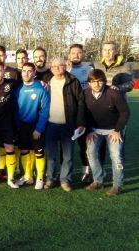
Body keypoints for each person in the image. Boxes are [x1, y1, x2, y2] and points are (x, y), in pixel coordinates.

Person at [84, 69, 130, 196]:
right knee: (90, 152)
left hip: (113, 130)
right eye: (93, 82)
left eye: (99, 81)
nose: (97, 84)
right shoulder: (85, 93)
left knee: (116, 155)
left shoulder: (113, 93)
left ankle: (117, 185)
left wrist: (117, 130)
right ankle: (98, 180)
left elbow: (125, 112)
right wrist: (88, 130)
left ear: (104, 82)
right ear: (89, 83)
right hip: (95, 130)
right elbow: (84, 114)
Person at [44, 58, 85, 192]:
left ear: (65, 66)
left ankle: (65, 180)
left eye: (60, 65)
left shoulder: (73, 81)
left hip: (69, 125)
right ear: (51, 68)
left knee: (68, 156)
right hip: (50, 124)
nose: (57, 68)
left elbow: (80, 103)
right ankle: (50, 178)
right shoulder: (47, 80)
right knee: (51, 155)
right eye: (54, 66)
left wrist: (80, 123)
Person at [0, 45, 21, 181]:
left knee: (6, 142)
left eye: (2, 56)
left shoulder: (14, 73)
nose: (0, 58)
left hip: (9, 113)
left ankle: (2, 169)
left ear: (6, 57)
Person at [14, 62, 50, 190]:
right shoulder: (18, 89)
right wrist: (18, 126)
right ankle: (28, 176)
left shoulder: (41, 89)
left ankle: (40, 177)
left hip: (36, 126)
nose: (26, 73)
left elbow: (45, 111)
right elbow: (15, 110)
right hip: (22, 127)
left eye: (30, 71)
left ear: (35, 73)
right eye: (24, 70)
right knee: (24, 150)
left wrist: (39, 129)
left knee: (38, 152)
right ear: (21, 72)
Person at [67, 43, 95, 183]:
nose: (76, 55)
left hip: (87, 112)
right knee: (66, 145)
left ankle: (86, 171)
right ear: (69, 55)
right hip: (69, 113)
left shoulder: (89, 69)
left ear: (83, 54)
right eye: (73, 53)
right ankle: (66, 173)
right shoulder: (66, 69)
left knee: (85, 144)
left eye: (79, 53)